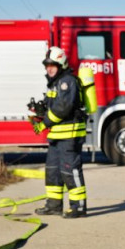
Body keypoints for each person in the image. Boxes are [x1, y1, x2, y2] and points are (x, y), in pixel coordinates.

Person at [32, 46, 88, 218]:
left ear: (61, 64)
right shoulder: (54, 83)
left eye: (53, 65)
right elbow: (52, 105)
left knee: (70, 171)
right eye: (47, 65)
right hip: (57, 136)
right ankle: (54, 205)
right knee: (53, 171)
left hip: (69, 135)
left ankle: (78, 207)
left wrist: (44, 123)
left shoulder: (67, 82)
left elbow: (63, 109)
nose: (49, 68)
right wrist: (38, 110)